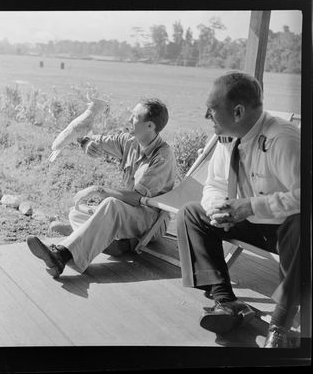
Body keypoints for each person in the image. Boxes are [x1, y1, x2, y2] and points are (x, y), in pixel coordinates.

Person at [176, 71, 300, 348]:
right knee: (191, 213)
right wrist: (218, 208)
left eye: (211, 109)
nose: (206, 116)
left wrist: (251, 206)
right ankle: (226, 301)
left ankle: (280, 324)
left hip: (289, 233)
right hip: (249, 222)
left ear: (238, 111)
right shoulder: (228, 138)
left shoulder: (282, 139)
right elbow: (215, 184)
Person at [26, 98, 176, 278]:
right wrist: (86, 144)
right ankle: (117, 244)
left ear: (150, 126)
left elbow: (137, 198)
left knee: (111, 204)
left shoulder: (162, 156)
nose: (129, 120)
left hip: (151, 220)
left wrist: (98, 189)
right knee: (77, 213)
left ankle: (61, 255)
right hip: (130, 215)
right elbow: (95, 139)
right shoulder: (129, 141)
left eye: (135, 117)